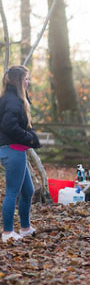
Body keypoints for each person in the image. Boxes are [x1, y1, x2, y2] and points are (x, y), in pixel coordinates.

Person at [0, 66, 41, 243]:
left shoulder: (12, 98)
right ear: (18, 81)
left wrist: (30, 136)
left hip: (15, 149)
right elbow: (9, 125)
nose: (28, 82)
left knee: (28, 190)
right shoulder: (12, 100)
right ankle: (8, 233)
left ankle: (25, 228)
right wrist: (27, 138)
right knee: (12, 192)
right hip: (12, 149)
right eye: (26, 78)